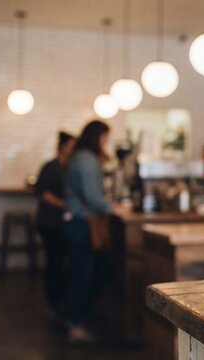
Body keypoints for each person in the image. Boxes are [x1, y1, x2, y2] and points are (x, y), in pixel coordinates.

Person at [63, 120, 127, 342]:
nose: (105, 144)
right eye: (104, 139)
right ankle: (75, 323)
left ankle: (76, 316)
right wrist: (114, 208)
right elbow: (93, 198)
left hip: (77, 221)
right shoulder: (87, 160)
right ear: (97, 138)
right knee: (85, 274)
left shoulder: (79, 157)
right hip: (83, 223)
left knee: (89, 271)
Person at [34, 131, 76, 317]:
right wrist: (64, 204)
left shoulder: (70, 167)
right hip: (49, 222)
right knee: (54, 262)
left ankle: (62, 299)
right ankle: (52, 302)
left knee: (63, 262)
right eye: (72, 146)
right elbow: (42, 192)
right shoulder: (51, 167)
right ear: (63, 146)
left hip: (63, 223)